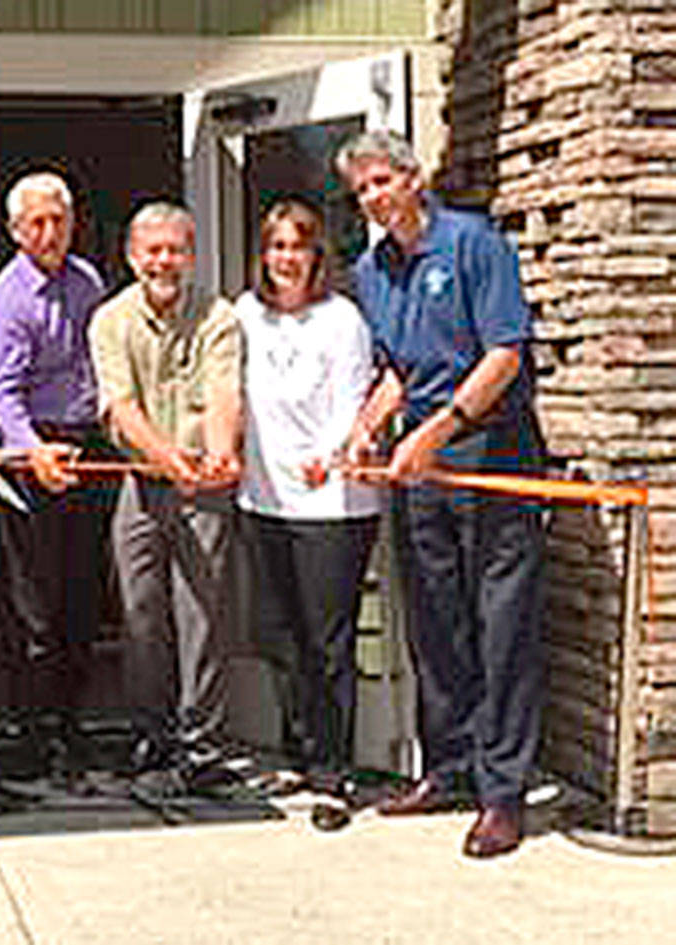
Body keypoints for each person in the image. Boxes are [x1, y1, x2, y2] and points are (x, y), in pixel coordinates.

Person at [336, 130, 545, 858]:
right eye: (361, 189)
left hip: (490, 448)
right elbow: (397, 369)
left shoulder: (475, 243)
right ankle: (451, 767)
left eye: (382, 180)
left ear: (414, 176)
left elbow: (504, 354)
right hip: (419, 461)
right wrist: (370, 427)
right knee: (435, 622)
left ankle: (503, 795)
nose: (373, 197)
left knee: (501, 626)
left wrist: (440, 429)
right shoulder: (370, 268)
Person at [88, 201, 244, 802]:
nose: (163, 260)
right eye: (152, 250)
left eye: (175, 249)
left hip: (204, 479)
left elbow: (223, 391)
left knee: (203, 615)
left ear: (191, 254)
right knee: (140, 611)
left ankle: (201, 744)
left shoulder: (220, 316)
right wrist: (165, 460)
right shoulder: (110, 319)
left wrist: (221, 453)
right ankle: (149, 734)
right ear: (132, 256)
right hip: (141, 477)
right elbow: (121, 407)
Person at [233, 197, 381, 822]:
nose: (285, 259)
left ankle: (333, 769)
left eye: (297, 246)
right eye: (275, 247)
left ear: (316, 254)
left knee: (328, 641)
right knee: (282, 638)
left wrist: (329, 453)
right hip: (262, 499)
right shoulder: (245, 315)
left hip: (333, 505)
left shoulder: (342, 318)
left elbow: (354, 401)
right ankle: (297, 751)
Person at [0, 172, 109, 778]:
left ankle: (72, 724)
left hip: (85, 446)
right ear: (14, 230)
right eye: (37, 222)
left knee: (83, 597)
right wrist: (35, 453)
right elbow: (0, 396)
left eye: (59, 220)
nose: (50, 233)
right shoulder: (4, 299)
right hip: (30, 455)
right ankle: (32, 735)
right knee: (35, 605)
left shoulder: (89, 282)